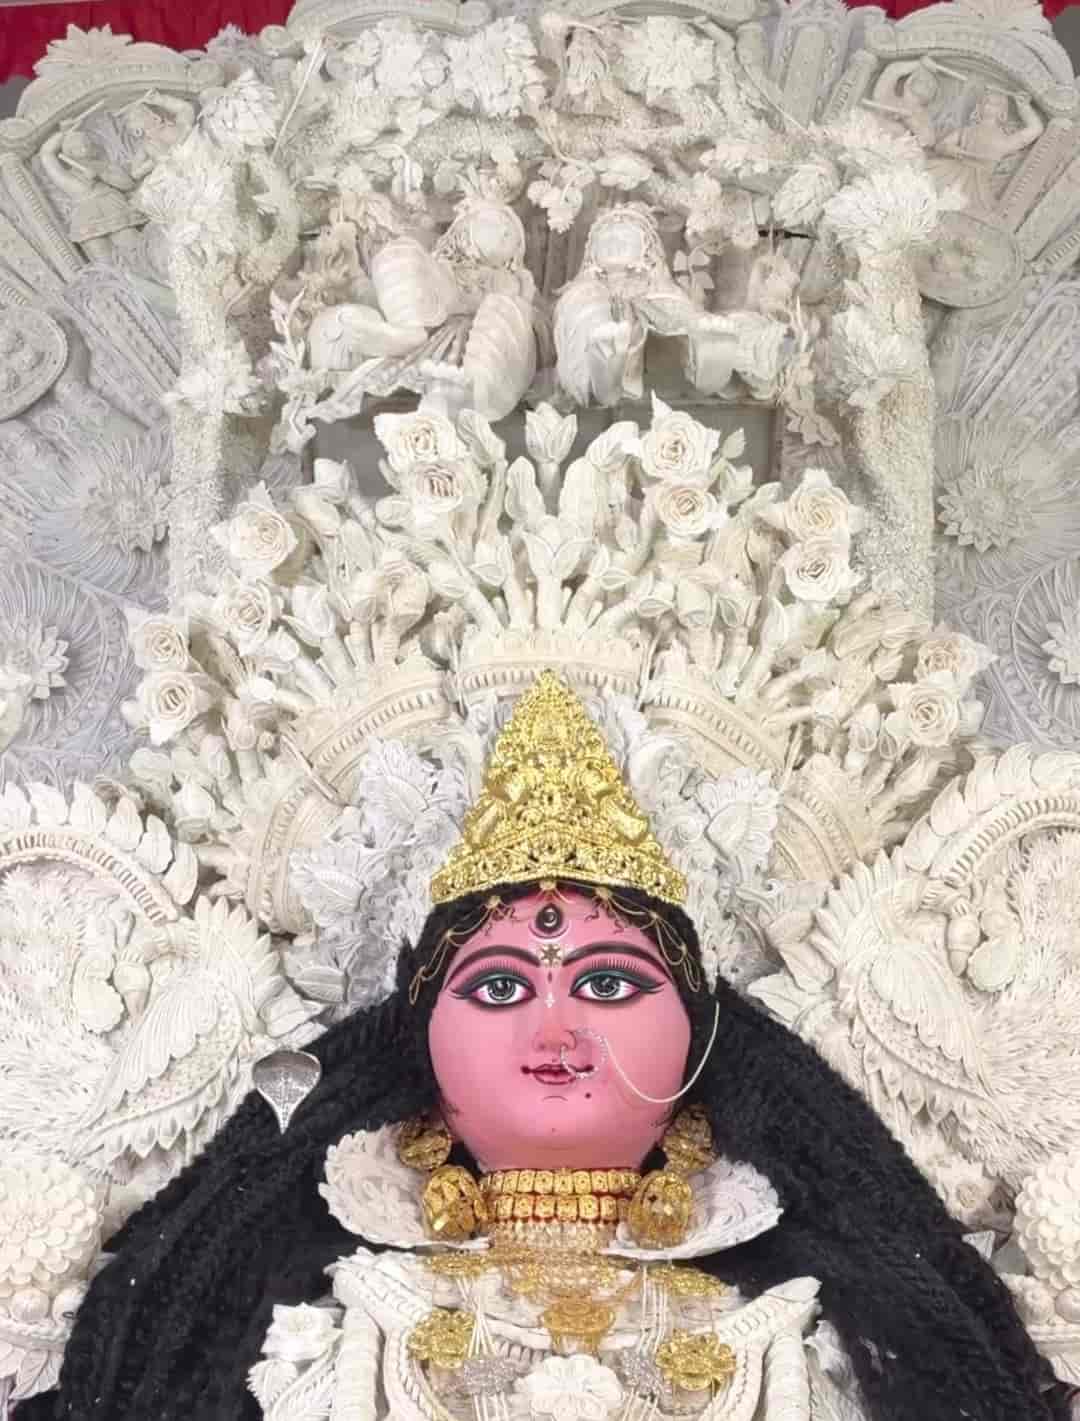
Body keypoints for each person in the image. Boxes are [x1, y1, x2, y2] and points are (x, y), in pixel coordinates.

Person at [18, 674, 1065, 1420]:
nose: (555, 1029)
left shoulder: (805, 1332)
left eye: (608, 983)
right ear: (416, 1037)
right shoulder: (326, 1325)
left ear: (702, 1028)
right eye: (499, 986)